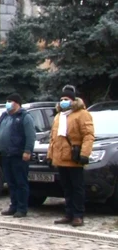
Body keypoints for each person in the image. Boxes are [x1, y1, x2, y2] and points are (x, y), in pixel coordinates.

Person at [47, 85, 95, 227]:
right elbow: (53, 138)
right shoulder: (58, 116)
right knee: (66, 188)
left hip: (74, 158)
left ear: (73, 100)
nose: (63, 101)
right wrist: (50, 155)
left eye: (66, 99)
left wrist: (85, 153)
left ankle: (78, 215)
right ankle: (68, 214)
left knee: (77, 188)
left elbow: (88, 135)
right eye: (61, 99)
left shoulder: (82, 114)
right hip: (61, 158)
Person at [0, 93, 36, 218]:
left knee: (20, 182)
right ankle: (13, 205)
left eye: (10, 101)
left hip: (18, 154)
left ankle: (22, 208)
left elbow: (30, 136)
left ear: (17, 103)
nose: (7, 103)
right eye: (7, 101)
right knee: (11, 182)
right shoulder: (4, 116)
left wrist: (27, 151)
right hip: (6, 154)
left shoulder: (24, 117)